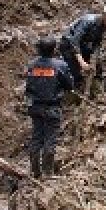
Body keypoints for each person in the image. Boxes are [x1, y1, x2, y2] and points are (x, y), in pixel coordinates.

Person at [24, 37, 74, 178]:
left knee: (36, 138)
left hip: (35, 107)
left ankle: (35, 171)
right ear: (54, 49)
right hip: (52, 107)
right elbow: (69, 85)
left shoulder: (32, 65)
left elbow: (28, 86)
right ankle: (47, 173)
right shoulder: (60, 65)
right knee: (50, 139)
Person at [57, 4, 106, 88]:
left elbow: (97, 43)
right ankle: (71, 89)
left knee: (97, 67)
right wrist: (81, 62)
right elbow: (74, 41)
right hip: (68, 44)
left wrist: (94, 58)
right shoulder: (88, 21)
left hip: (83, 45)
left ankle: (95, 86)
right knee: (75, 71)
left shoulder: (103, 25)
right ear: (104, 14)